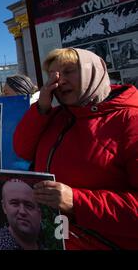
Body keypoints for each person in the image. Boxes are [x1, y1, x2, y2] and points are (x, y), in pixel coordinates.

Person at [13, 48, 138, 250]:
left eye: (69, 71)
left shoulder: (130, 120)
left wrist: (77, 201)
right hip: (58, 240)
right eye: (53, 75)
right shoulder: (56, 116)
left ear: (93, 72)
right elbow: (22, 149)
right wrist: (41, 108)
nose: (59, 80)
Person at [0, 179, 42, 250]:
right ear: (4, 207)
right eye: (15, 203)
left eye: (28, 205)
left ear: (39, 214)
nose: (22, 211)